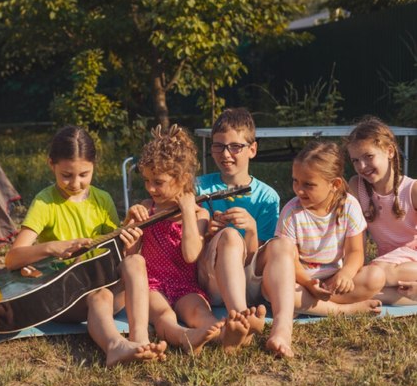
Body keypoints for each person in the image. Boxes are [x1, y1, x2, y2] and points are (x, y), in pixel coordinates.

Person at [5, 125, 166, 367]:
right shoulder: (45, 202)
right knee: (98, 295)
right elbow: (12, 258)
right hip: (66, 299)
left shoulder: (103, 200)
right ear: (52, 165)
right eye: (66, 175)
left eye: (84, 174)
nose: (76, 183)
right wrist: (53, 247)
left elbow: (120, 255)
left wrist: (129, 233)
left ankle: (140, 340)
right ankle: (114, 346)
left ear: (94, 165)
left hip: (106, 287)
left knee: (136, 261)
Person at [124, 124, 252, 354]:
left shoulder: (199, 213)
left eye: (158, 182)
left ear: (182, 180)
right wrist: (130, 223)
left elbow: (191, 254)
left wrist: (186, 211)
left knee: (202, 315)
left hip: (186, 284)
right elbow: (130, 257)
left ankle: (227, 336)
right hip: (152, 285)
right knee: (164, 316)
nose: (150, 188)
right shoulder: (146, 208)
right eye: (146, 181)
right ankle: (186, 338)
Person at [196, 108, 295, 357]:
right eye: (218, 146)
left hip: (249, 280)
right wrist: (207, 234)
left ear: (252, 149)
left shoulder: (267, 195)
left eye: (235, 147)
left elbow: (255, 256)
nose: (226, 154)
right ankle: (241, 317)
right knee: (229, 236)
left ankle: (282, 329)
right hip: (212, 280)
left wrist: (250, 228)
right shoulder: (198, 187)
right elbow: (189, 247)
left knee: (282, 245)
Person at [277, 141, 386, 316]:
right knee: (278, 288)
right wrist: (308, 285)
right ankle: (342, 310)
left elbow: (356, 252)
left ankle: (310, 306)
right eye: (296, 181)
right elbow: (291, 262)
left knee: (376, 276)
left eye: (308, 185)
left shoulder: (349, 206)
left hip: (333, 280)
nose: (299, 190)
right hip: (301, 281)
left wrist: (346, 274)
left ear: (334, 184)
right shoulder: (291, 212)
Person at [345, 116, 417, 304]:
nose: (362, 166)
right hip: (383, 262)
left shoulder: (412, 190)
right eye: (355, 160)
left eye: (368, 157)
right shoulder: (356, 186)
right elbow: (354, 235)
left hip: (410, 263)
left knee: (371, 277)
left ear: (390, 151)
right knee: (367, 277)